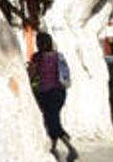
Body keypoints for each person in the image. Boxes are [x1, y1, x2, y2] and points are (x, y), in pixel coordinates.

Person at [29, 32, 78, 162]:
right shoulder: (58, 55)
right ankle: (53, 148)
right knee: (53, 119)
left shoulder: (37, 57)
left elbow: (32, 75)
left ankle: (71, 148)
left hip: (46, 93)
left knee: (52, 121)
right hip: (60, 93)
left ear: (39, 43)